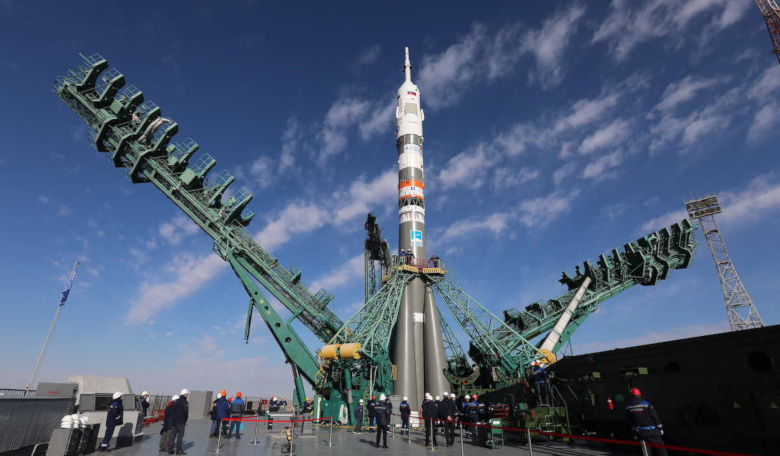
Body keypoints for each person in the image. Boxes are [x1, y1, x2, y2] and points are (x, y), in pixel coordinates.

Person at [625, 388, 668, 456]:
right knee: (660, 450)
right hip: (652, 432)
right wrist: (660, 428)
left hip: (640, 432)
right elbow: (655, 417)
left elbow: (629, 420)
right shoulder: (646, 404)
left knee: (645, 451)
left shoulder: (628, 406)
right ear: (639, 394)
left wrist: (634, 431)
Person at [168, 389, 189, 455]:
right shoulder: (185, 402)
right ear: (185, 394)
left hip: (173, 422)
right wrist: (184, 420)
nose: (187, 395)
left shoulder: (175, 402)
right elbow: (186, 413)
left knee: (172, 436)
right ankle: (178, 450)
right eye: (187, 394)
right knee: (180, 436)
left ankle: (170, 450)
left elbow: (171, 412)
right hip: (180, 422)